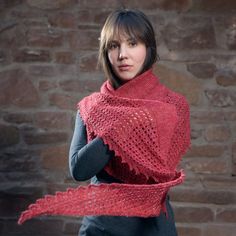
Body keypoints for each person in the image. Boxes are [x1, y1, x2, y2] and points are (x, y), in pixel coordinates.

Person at [18, 8, 190, 236]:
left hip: (154, 228)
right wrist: (123, 126)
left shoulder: (172, 106)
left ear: (148, 48)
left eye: (132, 43)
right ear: (105, 51)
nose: (122, 55)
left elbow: (159, 171)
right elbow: (79, 169)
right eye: (113, 45)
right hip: (102, 228)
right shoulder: (91, 107)